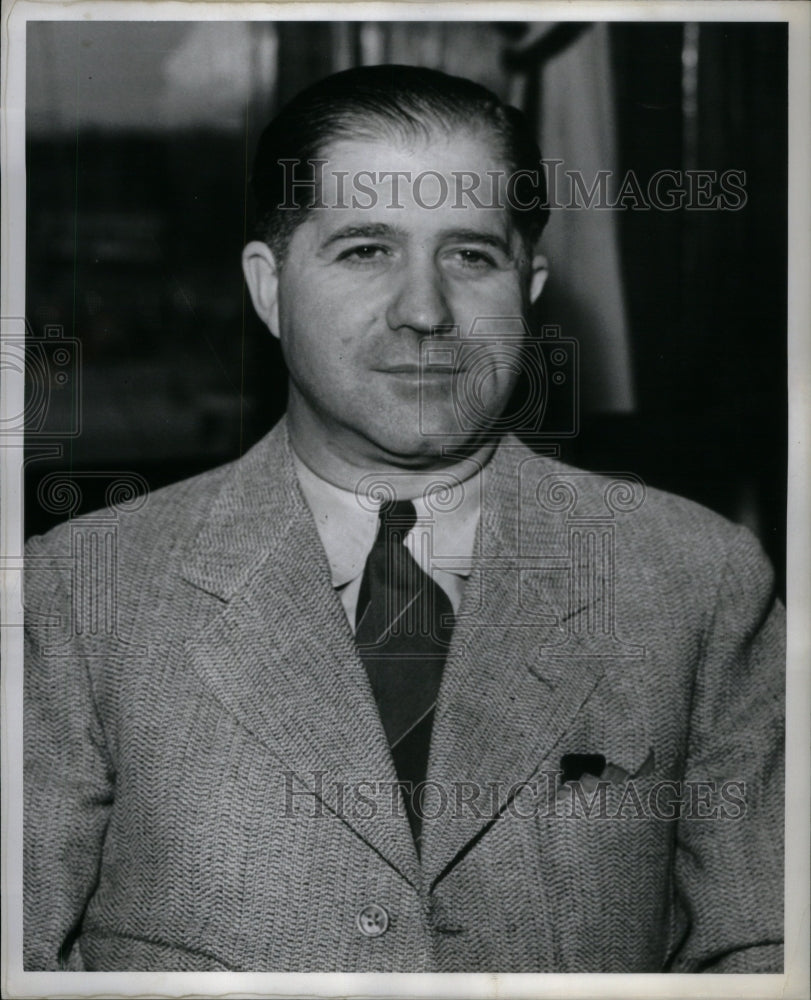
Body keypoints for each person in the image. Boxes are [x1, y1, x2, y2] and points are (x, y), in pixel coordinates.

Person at [24, 64, 784, 973]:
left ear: (529, 286)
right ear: (269, 288)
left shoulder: (698, 582)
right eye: (364, 250)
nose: (424, 310)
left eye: (469, 254)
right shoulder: (77, 592)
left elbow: (766, 949)